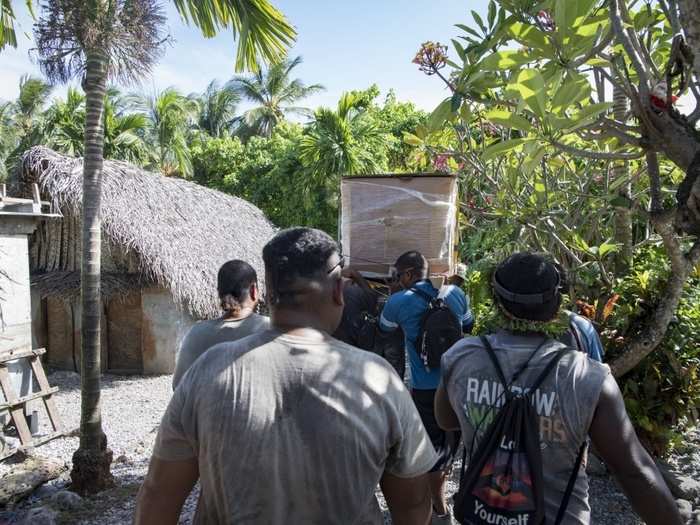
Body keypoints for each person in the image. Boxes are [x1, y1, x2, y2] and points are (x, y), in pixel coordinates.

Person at [135, 228, 438, 525]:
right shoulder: (377, 379)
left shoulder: (207, 371)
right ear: (337, 291)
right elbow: (413, 504)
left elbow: (159, 495)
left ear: (265, 292)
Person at [435, 252, 682, 525]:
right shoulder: (587, 377)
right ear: (557, 304)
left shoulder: (461, 356)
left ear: (497, 302)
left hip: (482, 514)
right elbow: (634, 472)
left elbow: (446, 420)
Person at [379, 251, 474, 523]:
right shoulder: (455, 293)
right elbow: (469, 325)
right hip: (457, 385)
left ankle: (438, 509)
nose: (395, 279)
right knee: (449, 448)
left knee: (429, 451)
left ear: (408, 274)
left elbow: (385, 329)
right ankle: (440, 506)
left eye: (398, 275)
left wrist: (394, 293)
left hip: (424, 391)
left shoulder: (398, 301)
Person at [171, 260, 269, 389]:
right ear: (253, 291)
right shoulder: (270, 328)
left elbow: (178, 386)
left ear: (219, 293)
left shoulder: (197, 333)